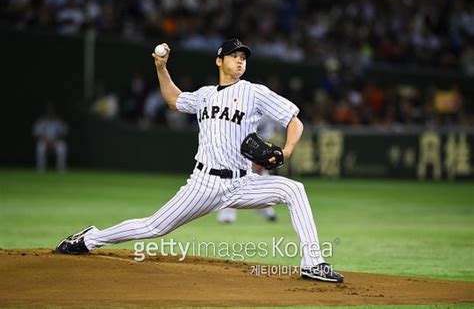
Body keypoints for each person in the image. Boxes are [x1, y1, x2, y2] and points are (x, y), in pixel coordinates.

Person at [55, 38, 344, 283]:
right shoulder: (205, 96)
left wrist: (288, 149)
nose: (240, 60)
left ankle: (312, 263)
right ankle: (90, 238)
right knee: (154, 227)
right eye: (234, 55)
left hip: (242, 183)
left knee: (294, 189)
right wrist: (161, 67)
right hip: (203, 184)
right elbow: (174, 99)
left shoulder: (254, 92)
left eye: (244, 57)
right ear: (219, 61)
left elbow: (294, 120)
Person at [217, 116, 279, 224]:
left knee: (263, 182)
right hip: (234, 151)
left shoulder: (264, 116)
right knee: (231, 182)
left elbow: (265, 139)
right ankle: (227, 215)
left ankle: (264, 210)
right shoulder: (235, 109)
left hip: (254, 151)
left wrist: (259, 160)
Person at [32, 103, 68, 172]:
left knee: (62, 147)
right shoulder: (41, 121)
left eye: (52, 111)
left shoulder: (58, 121)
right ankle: (41, 169)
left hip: (56, 142)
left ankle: (61, 169)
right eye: (49, 111)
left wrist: (54, 141)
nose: (50, 113)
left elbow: (63, 133)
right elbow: (37, 133)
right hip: (44, 142)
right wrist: (46, 140)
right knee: (40, 148)